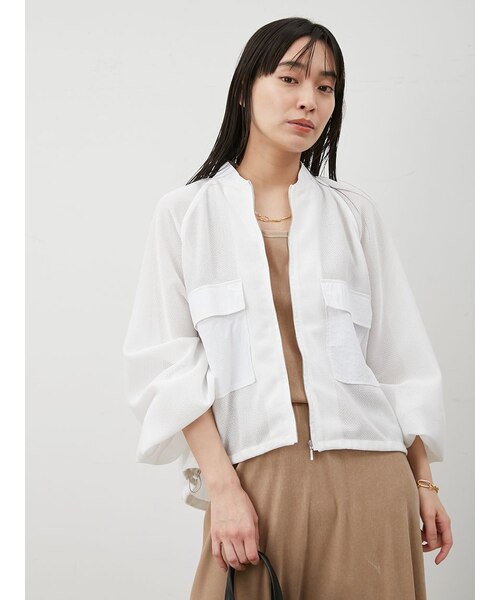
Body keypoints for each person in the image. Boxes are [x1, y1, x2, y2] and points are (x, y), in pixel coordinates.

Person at [122, 17, 453, 599]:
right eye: (290, 79)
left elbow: (399, 361)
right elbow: (167, 366)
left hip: (372, 474)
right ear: (245, 88)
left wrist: (424, 484)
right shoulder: (185, 215)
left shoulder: (354, 215)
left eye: (325, 87)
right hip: (256, 475)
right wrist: (223, 489)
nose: (309, 101)